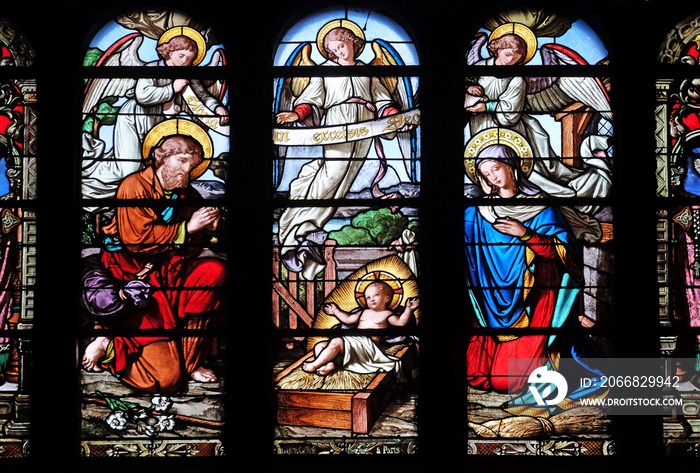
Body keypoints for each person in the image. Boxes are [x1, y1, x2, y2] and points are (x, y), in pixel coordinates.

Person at [81, 128, 226, 394]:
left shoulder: (188, 195)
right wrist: (188, 228)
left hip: (171, 273)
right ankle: (109, 342)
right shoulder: (133, 186)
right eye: (182, 161)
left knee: (213, 271)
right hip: (134, 279)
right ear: (160, 157)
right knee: (165, 381)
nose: (187, 171)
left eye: (192, 166)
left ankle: (192, 360)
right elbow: (136, 239)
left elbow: (193, 245)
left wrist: (212, 230)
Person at [275, 24, 403, 280]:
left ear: (354, 43)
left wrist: (392, 114)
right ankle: (296, 231)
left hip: (366, 126)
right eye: (333, 49)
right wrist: (296, 113)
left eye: (341, 45)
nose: (337, 52)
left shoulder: (368, 71)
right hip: (338, 122)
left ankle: (310, 231)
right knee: (332, 173)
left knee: (344, 182)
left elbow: (382, 98)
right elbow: (312, 98)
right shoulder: (324, 71)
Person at [464, 143, 584, 393]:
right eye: (486, 174)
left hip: (534, 297)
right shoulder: (480, 211)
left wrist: (526, 234)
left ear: (511, 166)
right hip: (492, 301)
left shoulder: (541, 206)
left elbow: (561, 251)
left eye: (496, 169)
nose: (493, 177)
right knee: (478, 374)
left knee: (504, 381)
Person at [82, 30, 229, 201]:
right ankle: (96, 186)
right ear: (169, 52)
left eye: (189, 60)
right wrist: (172, 89)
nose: (184, 62)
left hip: (158, 124)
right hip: (133, 119)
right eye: (181, 56)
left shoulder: (188, 76)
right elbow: (142, 95)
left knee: (152, 167)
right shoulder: (151, 69)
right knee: (128, 168)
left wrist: (218, 108)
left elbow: (202, 97)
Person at [302, 280, 419, 378]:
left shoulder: (387, 314)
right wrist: (335, 311)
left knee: (336, 341)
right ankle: (327, 365)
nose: (371, 299)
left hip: (367, 345)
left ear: (387, 298)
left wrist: (409, 309)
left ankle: (314, 364)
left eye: (376, 295)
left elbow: (401, 322)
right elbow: (348, 319)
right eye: (368, 297)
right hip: (353, 341)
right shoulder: (363, 312)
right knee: (319, 346)